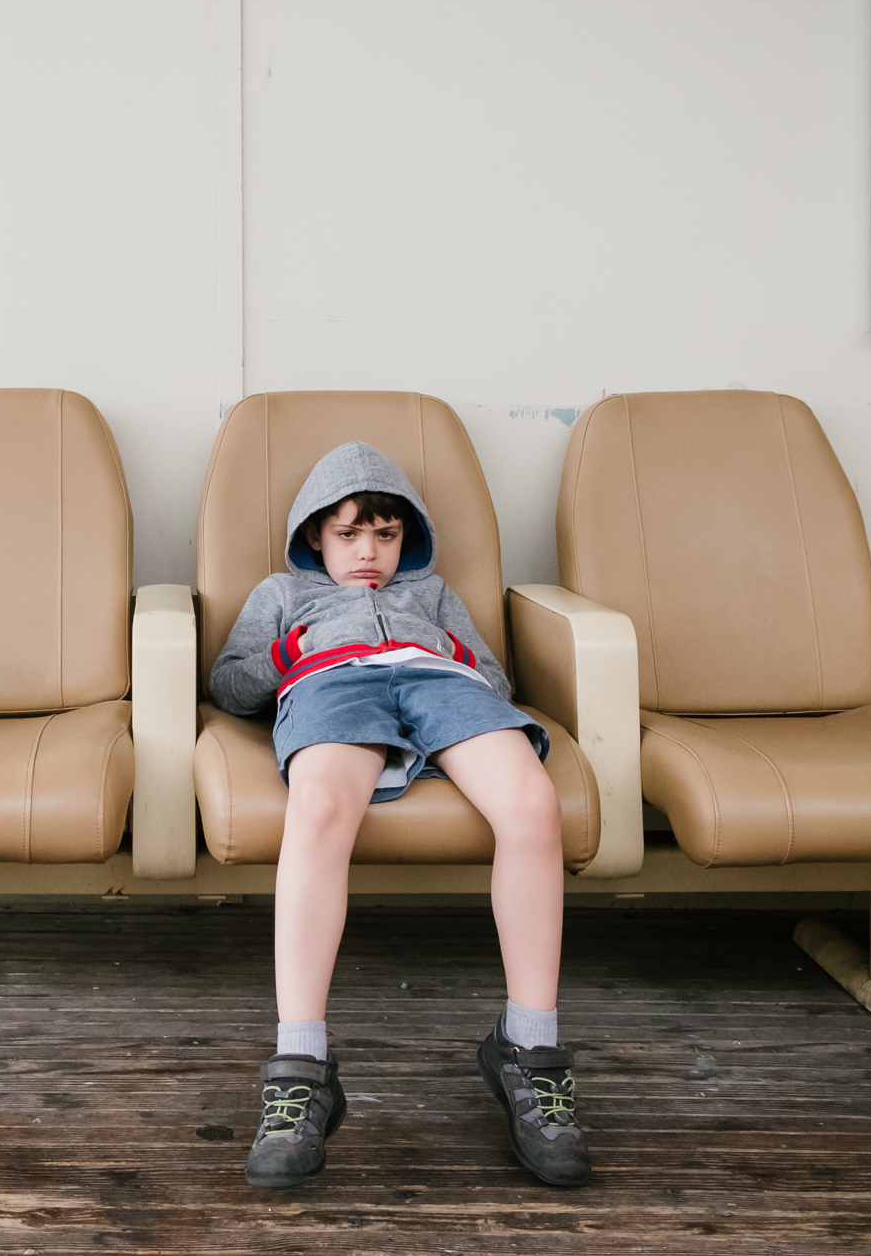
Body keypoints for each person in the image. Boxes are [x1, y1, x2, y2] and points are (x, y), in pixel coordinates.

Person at [211, 442, 588, 1191]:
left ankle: (529, 1048)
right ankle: (302, 1068)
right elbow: (229, 683)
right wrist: (296, 647)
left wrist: (442, 647)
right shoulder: (281, 592)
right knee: (318, 805)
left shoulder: (437, 593)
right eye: (349, 534)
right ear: (316, 535)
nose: (368, 553)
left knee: (531, 800)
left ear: (405, 536)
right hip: (331, 682)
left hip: (439, 682)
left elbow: (494, 675)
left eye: (385, 534)